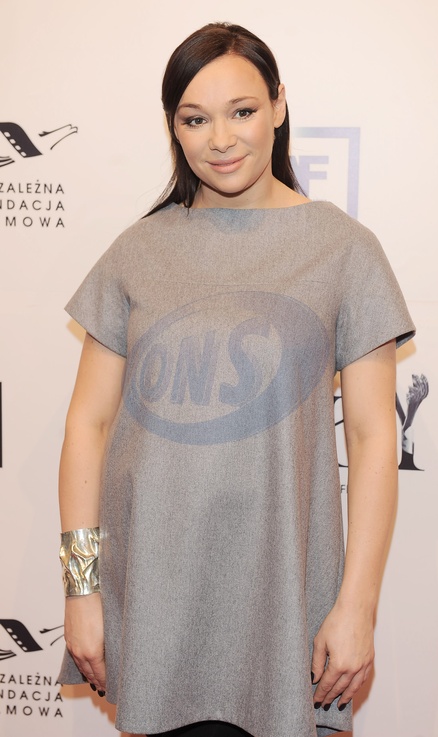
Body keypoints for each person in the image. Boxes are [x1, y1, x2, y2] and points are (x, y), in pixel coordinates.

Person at [58, 21, 415, 737]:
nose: (220, 139)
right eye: (195, 118)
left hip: (287, 609)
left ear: (279, 106)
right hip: (152, 606)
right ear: (173, 127)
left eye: (241, 111)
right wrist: (81, 590)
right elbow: (88, 427)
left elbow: (375, 437)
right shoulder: (138, 250)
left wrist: (357, 606)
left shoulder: (344, 249)